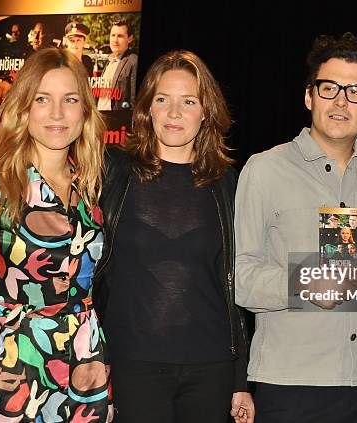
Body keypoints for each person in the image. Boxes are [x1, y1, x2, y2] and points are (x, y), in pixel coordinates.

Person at [235, 33, 357, 423]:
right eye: (329, 88)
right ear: (309, 96)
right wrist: (304, 283)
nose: (341, 101)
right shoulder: (265, 170)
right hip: (293, 379)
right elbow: (240, 277)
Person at [0, 48, 112, 422]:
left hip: (86, 376)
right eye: (43, 99)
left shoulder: (90, 191)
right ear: (23, 108)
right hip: (11, 378)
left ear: (85, 111)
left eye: (69, 100)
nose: (57, 113)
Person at [93, 50, 254, 423]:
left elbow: (232, 283)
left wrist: (240, 378)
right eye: (163, 100)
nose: (174, 112)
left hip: (211, 365)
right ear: (147, 108)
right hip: (132, 363)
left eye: (188, 101)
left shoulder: (227, 182)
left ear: (206, 112)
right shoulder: (113, 171)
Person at [96, 20, 138, 111]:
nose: (115, 40)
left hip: (117, 121)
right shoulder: (109, 61)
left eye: (120, 36)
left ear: (130, 38)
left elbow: (134, 102)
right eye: (113, 35)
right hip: (100, 118)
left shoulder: (133, 61)